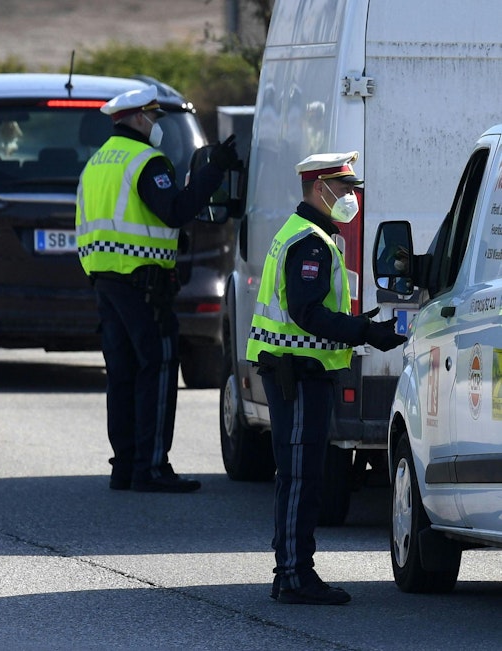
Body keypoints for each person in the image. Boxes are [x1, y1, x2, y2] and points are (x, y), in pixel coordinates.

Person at [245, 152, 406, 605]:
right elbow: (307, 312)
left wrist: (360, 327)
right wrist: (365, 332)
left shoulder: (306, 235)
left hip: (297, 375)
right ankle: (295, 575)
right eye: (345, 187)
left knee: (299, 475)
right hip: (297, 377)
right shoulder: (310, 242)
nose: (352, 196)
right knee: (299, 477)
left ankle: (291, 571)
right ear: (321, 189)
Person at [76, 85, 239, 493]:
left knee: (123, 375)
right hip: (144, 285)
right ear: (136, 119)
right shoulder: (147, 161)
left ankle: (126, 466)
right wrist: (214, 169)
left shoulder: (96, 163)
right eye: (153, 117)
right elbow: (177, 211)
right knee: (159, 369)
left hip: (106, 284)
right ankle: (151, 468)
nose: (157, 125)